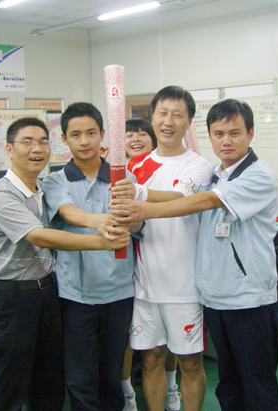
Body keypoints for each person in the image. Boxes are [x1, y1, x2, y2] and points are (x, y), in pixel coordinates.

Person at [111, 99, 278, 411]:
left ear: (250, 133)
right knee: (229, 386)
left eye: (234, 133)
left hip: (249, 300)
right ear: (208, 135)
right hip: (215, 297)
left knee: (258, 387)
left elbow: (204, 201)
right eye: (218, 134)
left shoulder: (257, 175)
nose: (226, 141)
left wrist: (143, 205)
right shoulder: (218, 174)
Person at [0, 117, 130, 411]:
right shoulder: (2, 194)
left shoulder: (40, 190)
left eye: (42, 142)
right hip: (13, 298)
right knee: (9, 388)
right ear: (9, 149)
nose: (36, 149)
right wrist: (101, 241)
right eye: (27, 142)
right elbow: (39, 236)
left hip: (48, 292)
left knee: (48, 386)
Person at [112, 86, 213, 411]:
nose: (168, 122)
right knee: (152, 358)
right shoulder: (136, 166)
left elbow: (180, 200)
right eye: (162, 113)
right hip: (145, 284)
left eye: (177, 115)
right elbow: (132, 221)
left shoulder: (199, 166)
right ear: (153, 117)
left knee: (190, 363)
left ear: (189, 122)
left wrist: (137, 194)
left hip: (185, 286)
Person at [42, 102, 136, 411]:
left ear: (102, 134)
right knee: (81, 379)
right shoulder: (56, 180)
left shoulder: (124, 178)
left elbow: (139, 225)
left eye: (91, 133)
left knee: (110, 376)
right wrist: (97, 221)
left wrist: (133, 214)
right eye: (76, 134)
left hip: (119, 293)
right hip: (75, 297)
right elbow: (67, 211)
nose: (84, 141)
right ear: (64, 139)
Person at [121, 118, 180, 411]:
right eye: (129, 134)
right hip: (126, 267)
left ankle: (171, 387)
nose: (135, 139)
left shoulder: (163, 169)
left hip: (164, 262)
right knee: (129, 337)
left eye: (142, 134)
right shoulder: (118, 173)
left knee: (168, 337)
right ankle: (127, 394)